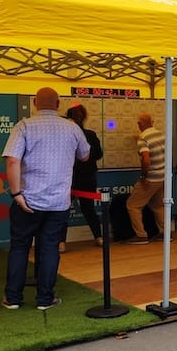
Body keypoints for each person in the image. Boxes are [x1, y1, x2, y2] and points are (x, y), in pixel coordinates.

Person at [1, 87, 90, 310]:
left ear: (34, 103)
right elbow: (85, 155)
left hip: (27, 200)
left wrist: (16, 193)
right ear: (58, 104)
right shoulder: (72, 128)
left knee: (20, 247)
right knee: (49, 248)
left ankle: (12, 299)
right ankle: (45, 299)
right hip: (58, 201)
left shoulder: (24, 126)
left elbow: (12, 161)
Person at [59, 104, 104, 252]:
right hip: (88, 177)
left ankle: (61, 243)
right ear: (84, 118)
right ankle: (99, 237)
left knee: (64, 209)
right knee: (89, 209)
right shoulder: (90, 134)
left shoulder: (64, 134)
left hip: (68, 177)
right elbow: (98, 154)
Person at [124, 113, 167, 244]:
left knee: (133, 205)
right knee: (158, 205)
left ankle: (141, 236)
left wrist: (144, 176)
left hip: (151, 178)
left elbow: (146, 159)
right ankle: (165, 233)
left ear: (140, 124)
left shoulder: (143, 139)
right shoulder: (160, 134)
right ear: (152, 122)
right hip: (163, 177)